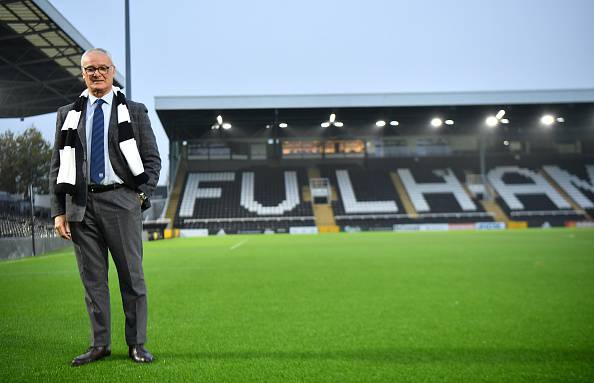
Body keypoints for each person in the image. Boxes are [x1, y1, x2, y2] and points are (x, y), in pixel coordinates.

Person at [49, 48, 161, 366]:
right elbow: (57, 167)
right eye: (90, 69)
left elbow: (152, 160)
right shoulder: (68, 114)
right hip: (81, 205)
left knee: (132, 278)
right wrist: (59, 210)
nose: (96, 74)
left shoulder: (135, 112)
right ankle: (100, 344)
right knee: (93, 281)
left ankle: (137, 344)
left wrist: (139, 196)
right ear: (83, 74)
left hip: (121, 201)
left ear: (112, 72)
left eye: (102, 68)